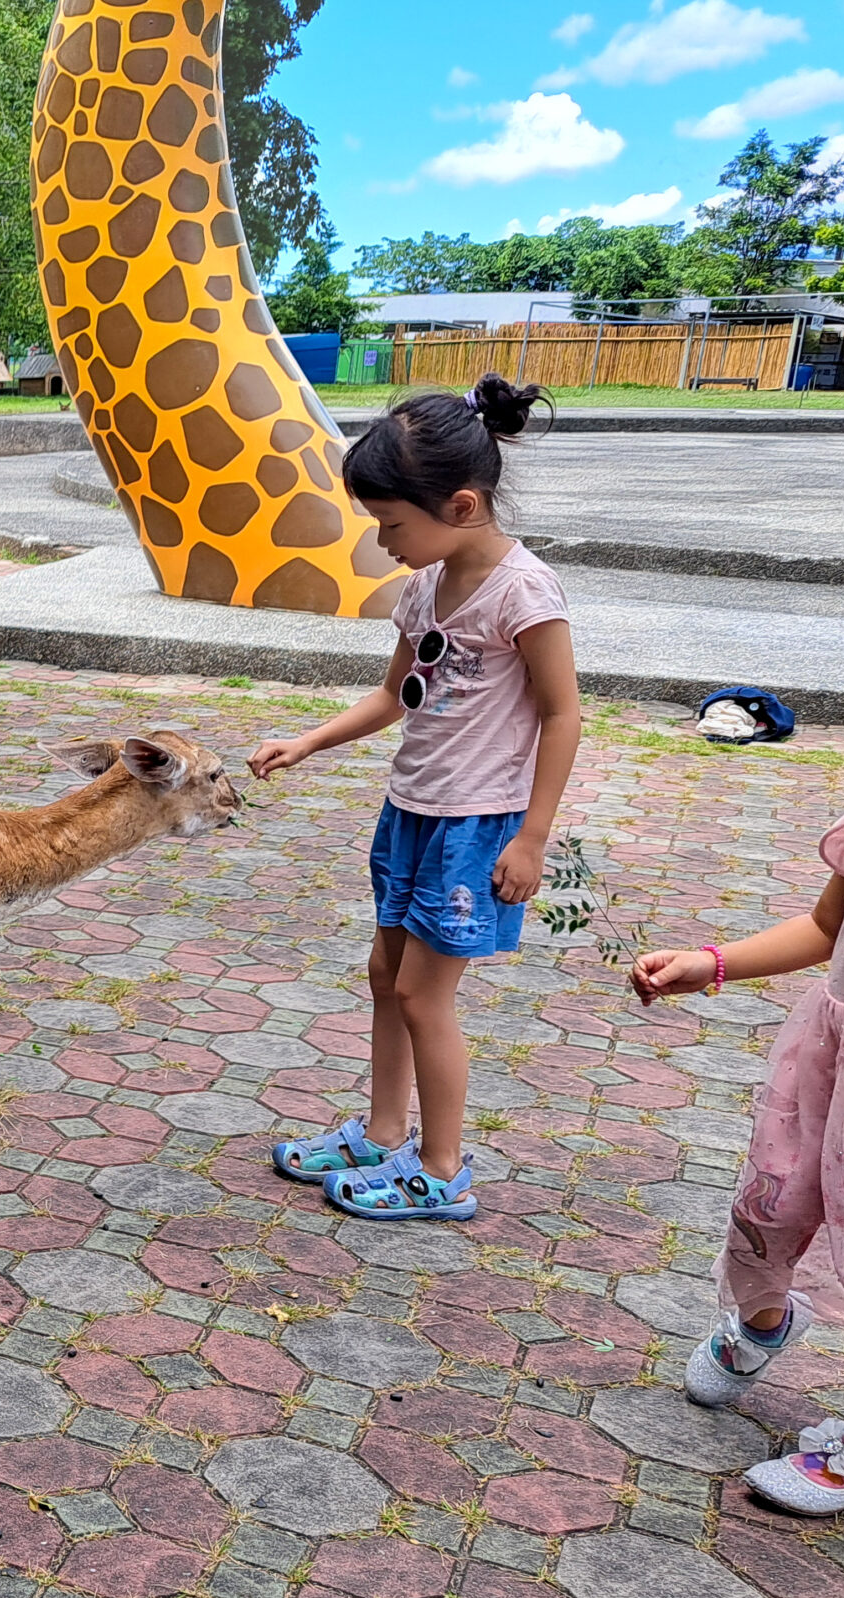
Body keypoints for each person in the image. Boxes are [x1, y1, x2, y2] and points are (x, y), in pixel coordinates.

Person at [250, 375, 580, 1222]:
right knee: (386, 975)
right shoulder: (424, 586)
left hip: (476, 826)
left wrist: (533, 837)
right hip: (412, 811)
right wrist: (312, 739)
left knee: (424, 997)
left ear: (462, 505)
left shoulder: (524, 592)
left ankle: (440, 1169)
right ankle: (381, 1130)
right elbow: (398, 694)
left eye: (392, 525)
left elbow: (562, 713)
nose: (383, 541)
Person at [630, 856, 844, 1514]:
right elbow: (826, 924)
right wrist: (712, 963)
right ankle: (763, 1325)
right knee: (770, 1207)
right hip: (830, 1056)